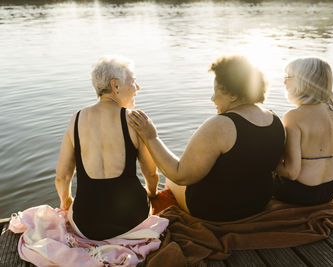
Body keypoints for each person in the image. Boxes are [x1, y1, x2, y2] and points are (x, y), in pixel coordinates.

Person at [129, 55, 285, 221]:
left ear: (233, 95)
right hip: (258, 203)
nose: (212, 98)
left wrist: (151, 137)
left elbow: (180, 175)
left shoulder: (221, 125)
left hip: (217, 210)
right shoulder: (275, 120)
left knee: (171, 179)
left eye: (216, 91)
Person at [55, 55, 159, 240]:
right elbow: (150, 173)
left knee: (75, 208)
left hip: (86, 225)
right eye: (133, 82)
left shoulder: (76, 120)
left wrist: (66, 202)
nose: (138, 88)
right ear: (115, 86)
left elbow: (62, 177)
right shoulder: (135, 120)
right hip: (132, 220)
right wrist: (152, 193)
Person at [275, 57, 333, 206]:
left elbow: (292, 173)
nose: (284, 82)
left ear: (303, 81)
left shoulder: (294, 116)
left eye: (288, 77)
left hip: (302, 192)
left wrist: (268, 165)